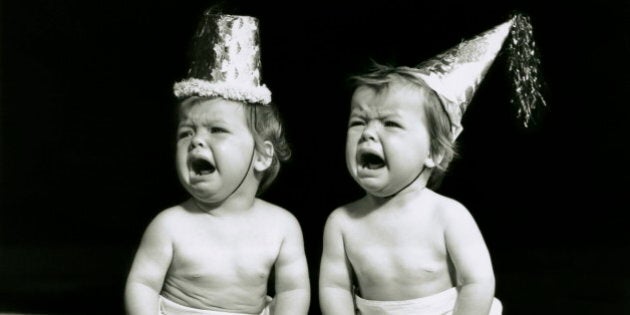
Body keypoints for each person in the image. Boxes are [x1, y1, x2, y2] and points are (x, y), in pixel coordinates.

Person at [320, 14, 545, 315]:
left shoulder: (447, 215)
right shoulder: (342, 222)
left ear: (435, 153)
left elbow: (476, 282)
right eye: (358, 122)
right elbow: (334, 287)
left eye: (390, 123)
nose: (368, 134)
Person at [125, 12, 310, 315]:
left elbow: (293, 290)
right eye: (186, 132)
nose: (196, 141)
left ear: (262, 155)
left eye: (217, 130)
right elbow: (142, 285)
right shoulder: (170, 224)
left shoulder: (282, 226)